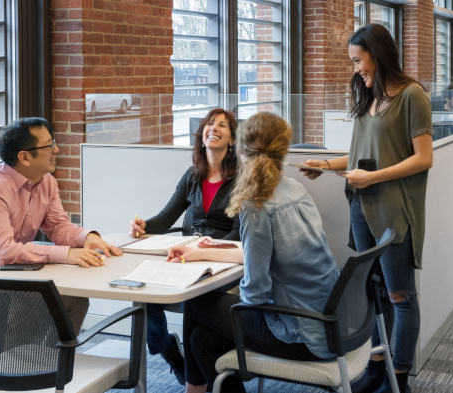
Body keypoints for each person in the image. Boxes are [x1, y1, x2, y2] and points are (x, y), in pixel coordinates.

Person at [301, 24, 433, 393]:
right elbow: (360, 157)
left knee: (399, 295)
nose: (356, 67)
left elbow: (424, 159)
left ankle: (400, 376)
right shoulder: (368, 97)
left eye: (359, 59)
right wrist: (325, 166)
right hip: (361, 207)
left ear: (378, 53)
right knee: (374, 290)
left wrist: (373, 179)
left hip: (394, 210)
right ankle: (379, 364)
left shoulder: (412, 96)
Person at [170, 111, 340, 393]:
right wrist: (202, 252)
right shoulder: (294, 188)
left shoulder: (256, 204)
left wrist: (230, 294)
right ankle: (196, 389)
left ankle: (193, 389)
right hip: (330, 323)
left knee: (197, 303)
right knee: (203, 339)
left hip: (302, 334)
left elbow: (256, 295)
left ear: (239, 149)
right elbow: (264, 254)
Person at [0, 117, 122, 334]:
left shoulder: (46, 181)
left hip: (6, 276)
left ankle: (51, 365)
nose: (57, 149)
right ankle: (12, 366)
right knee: (27, 313)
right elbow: (4, 251)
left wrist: (87, 238)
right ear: (24, 157)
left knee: (74, 300)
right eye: (49, 145)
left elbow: (58, 226)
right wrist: (67, 255)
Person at [126, 108, 240, 385]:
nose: (214, 128)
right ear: (201, 135)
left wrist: (204, 249)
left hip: (220, 262)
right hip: (186, 257)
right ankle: (168, 352)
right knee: (140, 291)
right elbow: (166, 218)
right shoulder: (193, 175)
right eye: (209, 124)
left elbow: (239, 234)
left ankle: (196, 381)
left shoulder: (241, 177)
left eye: (222, 125)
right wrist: (142, 226)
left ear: (232, 140)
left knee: (196, 308)